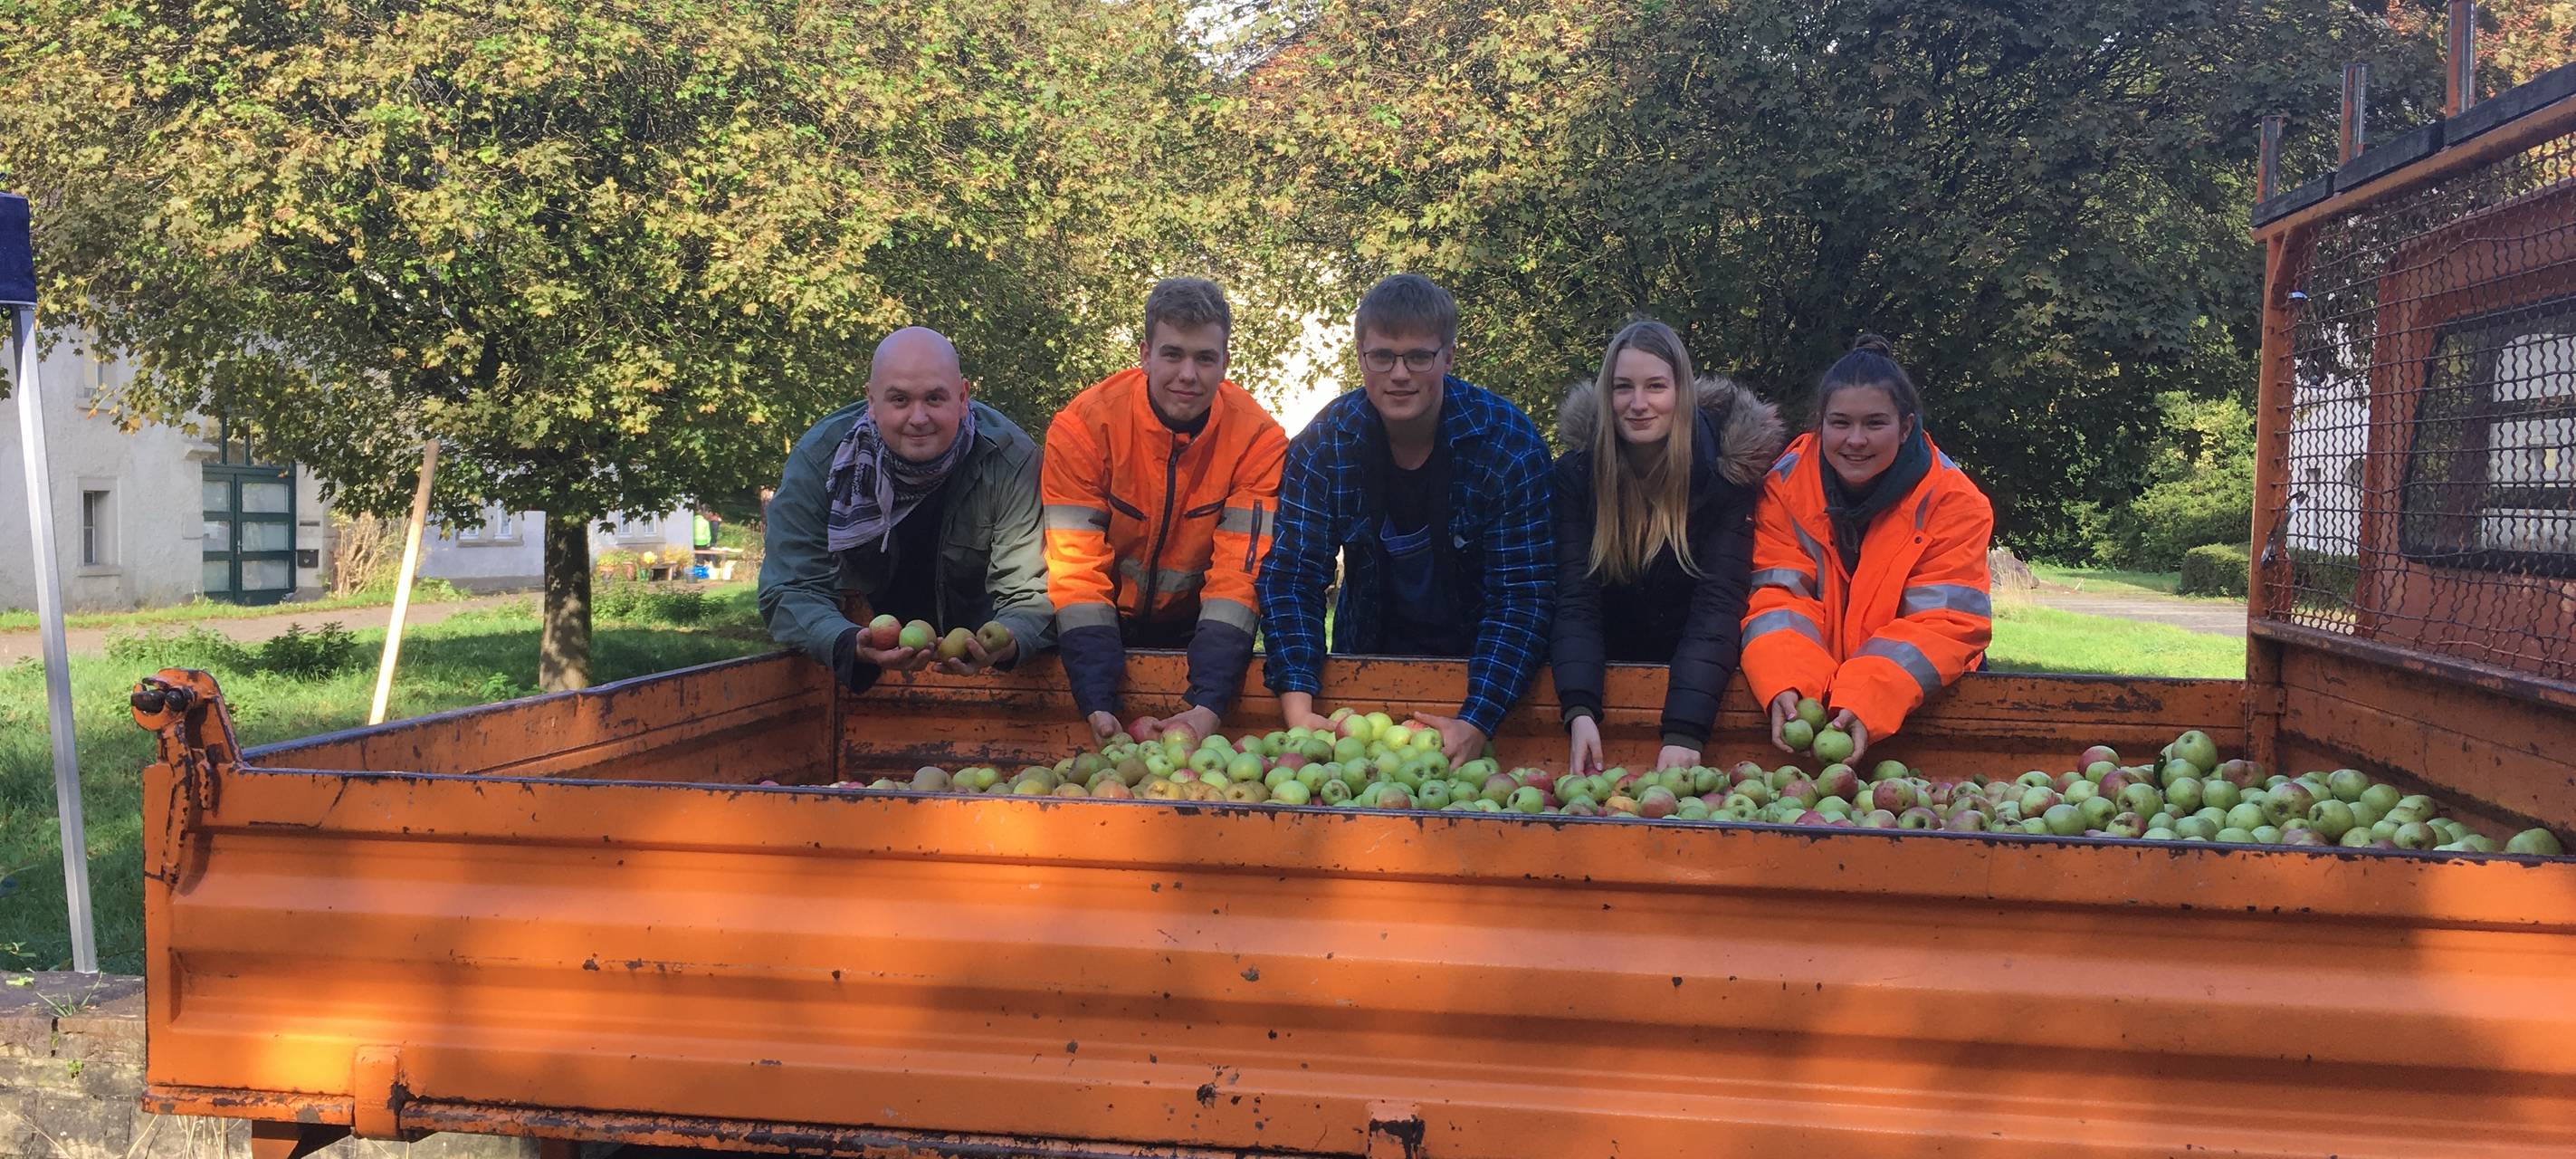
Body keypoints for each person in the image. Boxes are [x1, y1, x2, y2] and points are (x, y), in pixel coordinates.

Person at [1257, 273, 1555, 766]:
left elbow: (1521, 595)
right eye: (1382, 356)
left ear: (1448, 358)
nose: (1400, 374)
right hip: (1365, 669)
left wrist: (1478, 718)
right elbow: (1292, 576)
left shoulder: (1508, 445)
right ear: (1361, 359)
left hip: (1486, 674)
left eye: (1419, 356)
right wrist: (1298, 708)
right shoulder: (1325, 445)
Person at [1042, 278, 1288, 742]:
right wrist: (1096, 699)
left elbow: (1240, 577)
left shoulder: (1258, 441)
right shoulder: (1083, 428)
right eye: (1173, 354)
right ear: (1145, 355)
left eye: (1205, 358)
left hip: (1198, 631)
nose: (1188, 374)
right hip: (1098, 628)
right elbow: (1075, 569)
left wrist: (1209, 704)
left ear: (1225, 363)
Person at [758, 327, 1054, 694]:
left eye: (934, 398)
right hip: (852, 680)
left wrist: (1009, 642)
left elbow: (1028, 592)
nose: (918, 418)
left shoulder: (1010, 462)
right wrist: (846, 642)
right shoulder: (821, 461)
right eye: (899, 400)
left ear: (962, 397)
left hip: (984, 683)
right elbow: (790, 587)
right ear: (871, 400)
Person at [1741, 334, 1993, 761]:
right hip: (1818, 710)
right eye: (1840, 423)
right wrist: (1788, 682)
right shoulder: (1785, 487)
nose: (1855, 439)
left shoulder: (1953, 501)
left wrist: (1865, 697)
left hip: (1925, 702)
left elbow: (1946, 622)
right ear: (1820, 424)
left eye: (1875, 423)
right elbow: (1779, 598)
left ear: (1906, 426)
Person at [1550, 320, 1782, 774]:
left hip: (1700, 688)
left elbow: (1717, 609)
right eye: (1623, 387)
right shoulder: (1576, 477)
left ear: (1681, 393)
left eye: (1655, 386)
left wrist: (1685, 731)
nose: (1638, 404)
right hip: (1607, 683)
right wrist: (1578, 709)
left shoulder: (1725, 481)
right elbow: (1575, 600)